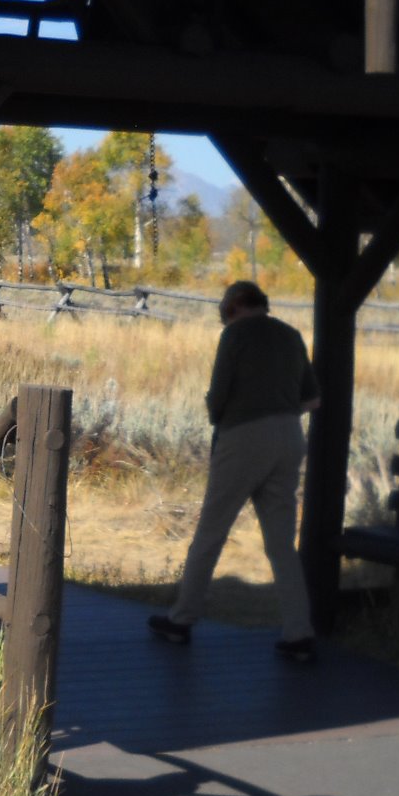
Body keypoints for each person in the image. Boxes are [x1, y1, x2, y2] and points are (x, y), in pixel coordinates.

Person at [148, 280, 322, 661]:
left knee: (211, 531)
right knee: (280, 543)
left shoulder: (236, 335)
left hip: (244, 436)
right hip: (290, 434)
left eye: (225, 311)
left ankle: (182, 618)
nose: (224, 318)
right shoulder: (291, 335)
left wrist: (222, 411)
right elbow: (312, 398)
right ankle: (299, 633)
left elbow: (219, 397)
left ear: (238, 306)